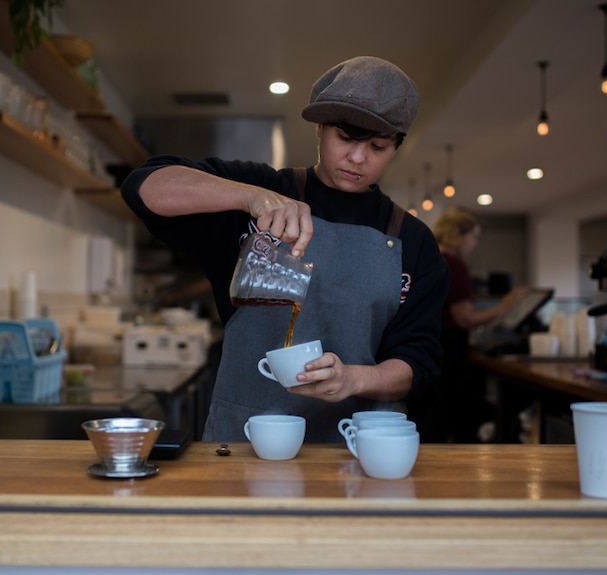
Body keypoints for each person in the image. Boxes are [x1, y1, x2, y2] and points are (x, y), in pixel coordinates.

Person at [121, 56, 449, 442]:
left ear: (396, 146)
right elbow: (143, 188)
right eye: (345, 139)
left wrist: (353, 378)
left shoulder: (413, 241)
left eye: (377, 146)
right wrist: (251, 198)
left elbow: (418, 361)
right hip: (247, 440)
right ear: (320, 129)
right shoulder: (258, 190)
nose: (358, 158)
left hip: (355, 448)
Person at [409, 206, 527, 442]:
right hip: (447, 357)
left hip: (422, 350)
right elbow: (464, 319)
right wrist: (505, 305)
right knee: (453, 425)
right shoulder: (454, 265)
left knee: (425, 427)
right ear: (458, 235)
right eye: (473, 236)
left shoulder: (425, 257)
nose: (475, 244)